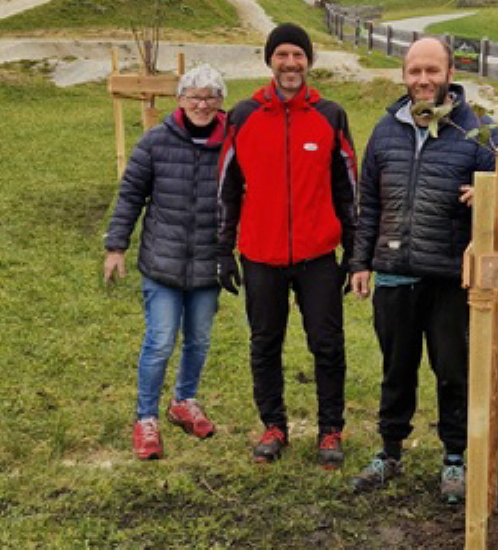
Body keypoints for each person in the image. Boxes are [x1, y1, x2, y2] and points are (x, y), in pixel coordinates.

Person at [348, 37, 498, 504]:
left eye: (432, 70)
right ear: (404, 75)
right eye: (415, 71)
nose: (423, 80)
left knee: (452, 370)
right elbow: (369, 203)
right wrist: (361, 261)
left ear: (450, 73)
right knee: (396, 369)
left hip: (449, 276)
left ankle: (454, 457)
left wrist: (488, 198)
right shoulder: (385, 131)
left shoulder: (477, 131)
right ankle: (390, 451)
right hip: (394, 271)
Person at [217, 23, 358, 468]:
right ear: (270, 61)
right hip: (261, 254)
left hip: (318, 255)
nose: (291, 63)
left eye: (298, 55)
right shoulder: (242, 116)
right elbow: (226, 188)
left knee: (327, 345)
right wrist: (223, 249)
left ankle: (330, 429)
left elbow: (348, 189)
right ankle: (274, 425)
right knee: (265, 343)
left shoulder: (330, 115)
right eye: (282, 55)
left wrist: (355, 251)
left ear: (309, 61)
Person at [104, 64, 229, 461]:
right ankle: (146, 418)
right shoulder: (155, 141)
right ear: (180, 100)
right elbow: (130, 195)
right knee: (159, 342)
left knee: (199, 340)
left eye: (210, 97)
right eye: (194, 97)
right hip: (163, 263)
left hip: (208, 264)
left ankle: (184, 401)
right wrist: (116, 246)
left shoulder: (233, 143)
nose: (202, 105)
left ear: (221, 102)